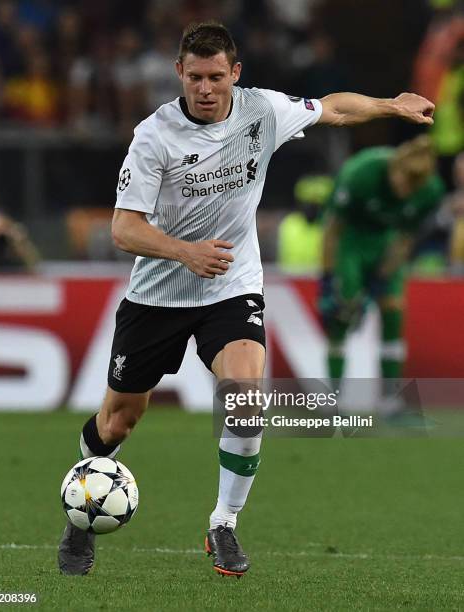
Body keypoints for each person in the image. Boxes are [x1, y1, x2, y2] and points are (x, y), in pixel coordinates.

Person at [58, 21, 436, 578]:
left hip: (231, 286)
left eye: (216, 77)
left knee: (245, 397)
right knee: (118, 421)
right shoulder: (154, 135)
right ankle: (81, 513)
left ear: (235, 73)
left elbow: (332, 108)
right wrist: (184, 252)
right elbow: (123, 229)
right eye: (194, 78)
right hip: (158, 294)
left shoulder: (262, 111)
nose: (205, 89)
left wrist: (389, 104)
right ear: (179, 75)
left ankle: (224, 524)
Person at [319, 136, 445, 402]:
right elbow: (333, 228)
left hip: (386, 244)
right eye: (404, 179)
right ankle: (333, 398)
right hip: (351, 242)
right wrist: (329, 278)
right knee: (343, 313)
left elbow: (404, 239)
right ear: (395, 166)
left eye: (414, 185)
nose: (406, 189)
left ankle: (390, 399)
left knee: (393, 312)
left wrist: (380, 278)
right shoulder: (361, 172)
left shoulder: (431, 191)